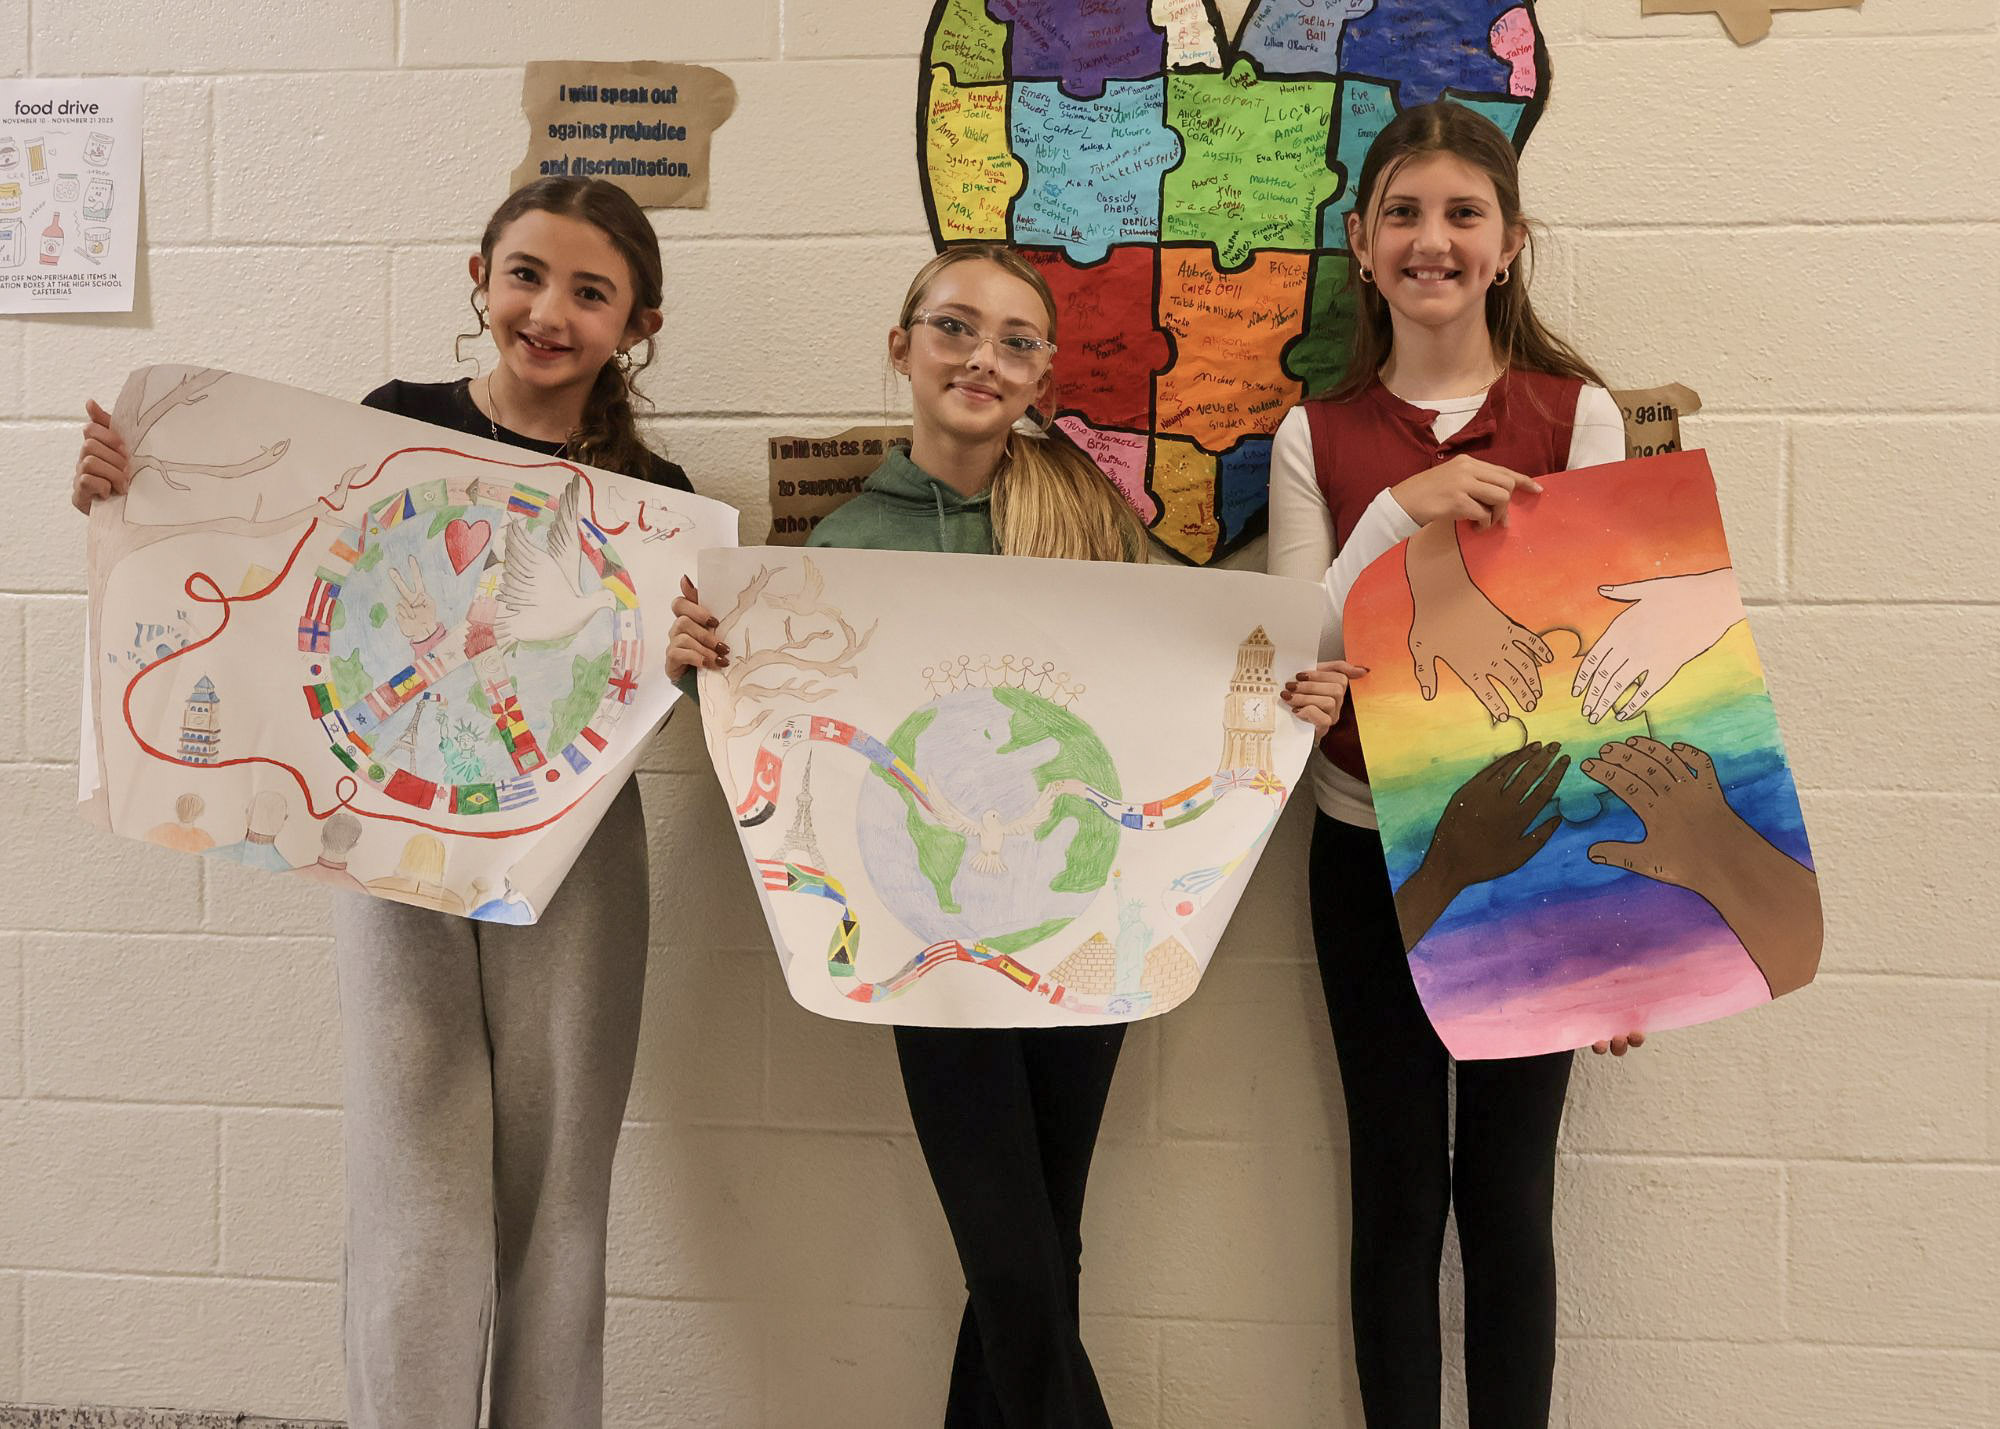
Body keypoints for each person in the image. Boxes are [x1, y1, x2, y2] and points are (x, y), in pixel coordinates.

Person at [72, 175, 694, 1429]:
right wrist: (131, 489)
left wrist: (695, 653)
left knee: (561, 1182)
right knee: (416, 1170)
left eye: (590, 291)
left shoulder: (657, 498)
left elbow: (650, 693)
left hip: (570, 848)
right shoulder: (390, 424)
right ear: (479, 277)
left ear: (638, 323)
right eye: (526, 274)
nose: (549, 312)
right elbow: (260, 556)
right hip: (388, 836)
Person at [669, 244, 1146, 1428]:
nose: (982, 357)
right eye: (953, 327)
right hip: (922, 939)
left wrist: (1279, 698)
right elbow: (795, 734)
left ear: (1042, 375)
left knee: (1041, 1245)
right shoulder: (837, 548)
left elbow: (1150, 701)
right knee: (1014, 1256)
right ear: (901, 348)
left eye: (1016, 340)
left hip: (1075, 925)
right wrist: (705, 674)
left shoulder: (1086, 512)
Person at [1266, 102, 1639, 1428]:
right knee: (1398, 1186)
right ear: (1362, 246)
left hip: (1534, 858)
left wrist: (1621, 924)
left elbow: (1604, 673)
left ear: (1508, 244)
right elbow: (1303, 653)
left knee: (1505, 1190)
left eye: (1462, 214)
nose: (1434, 239)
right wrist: (1393, 517)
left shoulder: (1574, 415)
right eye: (1406, 215)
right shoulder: (1317, 439)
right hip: (1367, 845)